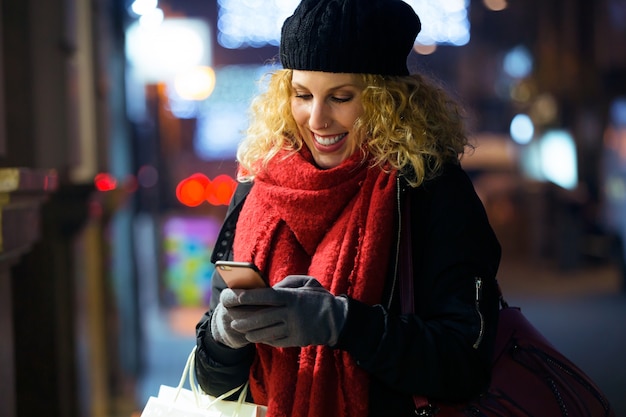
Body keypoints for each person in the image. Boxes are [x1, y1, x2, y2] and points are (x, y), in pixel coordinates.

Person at [194, 0, 502, 416]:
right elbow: (212, 382)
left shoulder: (430, 189)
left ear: (388, 101)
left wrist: (343, 324)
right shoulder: (256, 188)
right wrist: (221, 338)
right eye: (302, 95)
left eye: (341, 97)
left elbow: (465, 362)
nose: (317, 119)